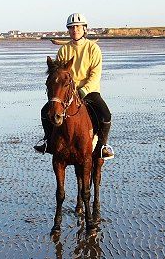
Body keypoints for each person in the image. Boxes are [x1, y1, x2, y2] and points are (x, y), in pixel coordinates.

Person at [35, 13, 115, 159]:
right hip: (67, 92)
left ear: (84, 29)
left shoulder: (93, 49)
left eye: (78, 27)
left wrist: (84, 90)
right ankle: (48, 141)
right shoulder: (64, 50)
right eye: (71, 28)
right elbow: (57, 74)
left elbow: (95, 74)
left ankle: (102, 146)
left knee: (105, 115)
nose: (75, 30)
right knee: (45, 112)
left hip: (89, 91)